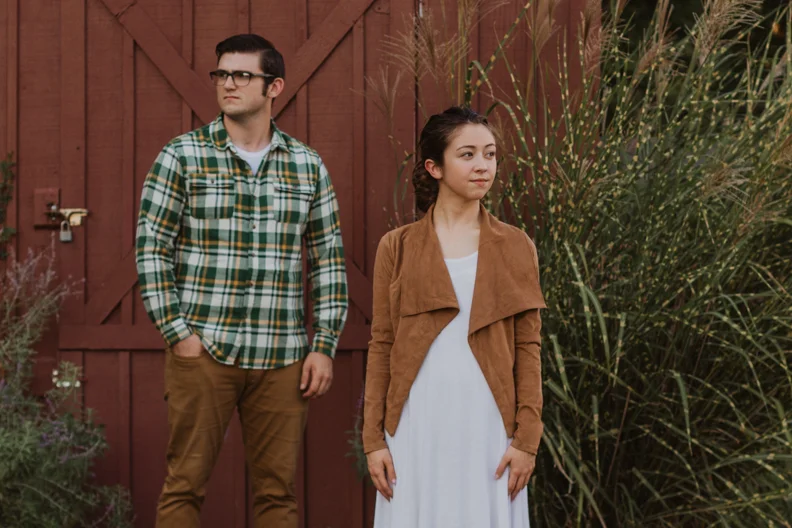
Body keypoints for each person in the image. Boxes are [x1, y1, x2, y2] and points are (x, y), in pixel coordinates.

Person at [135, 34, 348, 528]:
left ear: (274, 87)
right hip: (204, 351)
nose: (227, 84)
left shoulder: (306, 165)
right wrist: (178, 335)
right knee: (184, 487)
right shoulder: (182, 157)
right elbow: (151, 249)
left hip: (282, 359)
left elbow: (329, 261)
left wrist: (324, 344)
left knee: (278, 496)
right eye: (221, 74)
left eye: (241, 75)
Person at [362, 106, 546, 527]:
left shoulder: (517, 246)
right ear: (435, 167)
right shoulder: (398, 247)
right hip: (415, 425)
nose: (483, 166)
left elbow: (528, 348)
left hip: (489, 427)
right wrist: (374, 440)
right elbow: (383, 344)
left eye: (490, 154)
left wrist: (526, 440)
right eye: (467, 155)